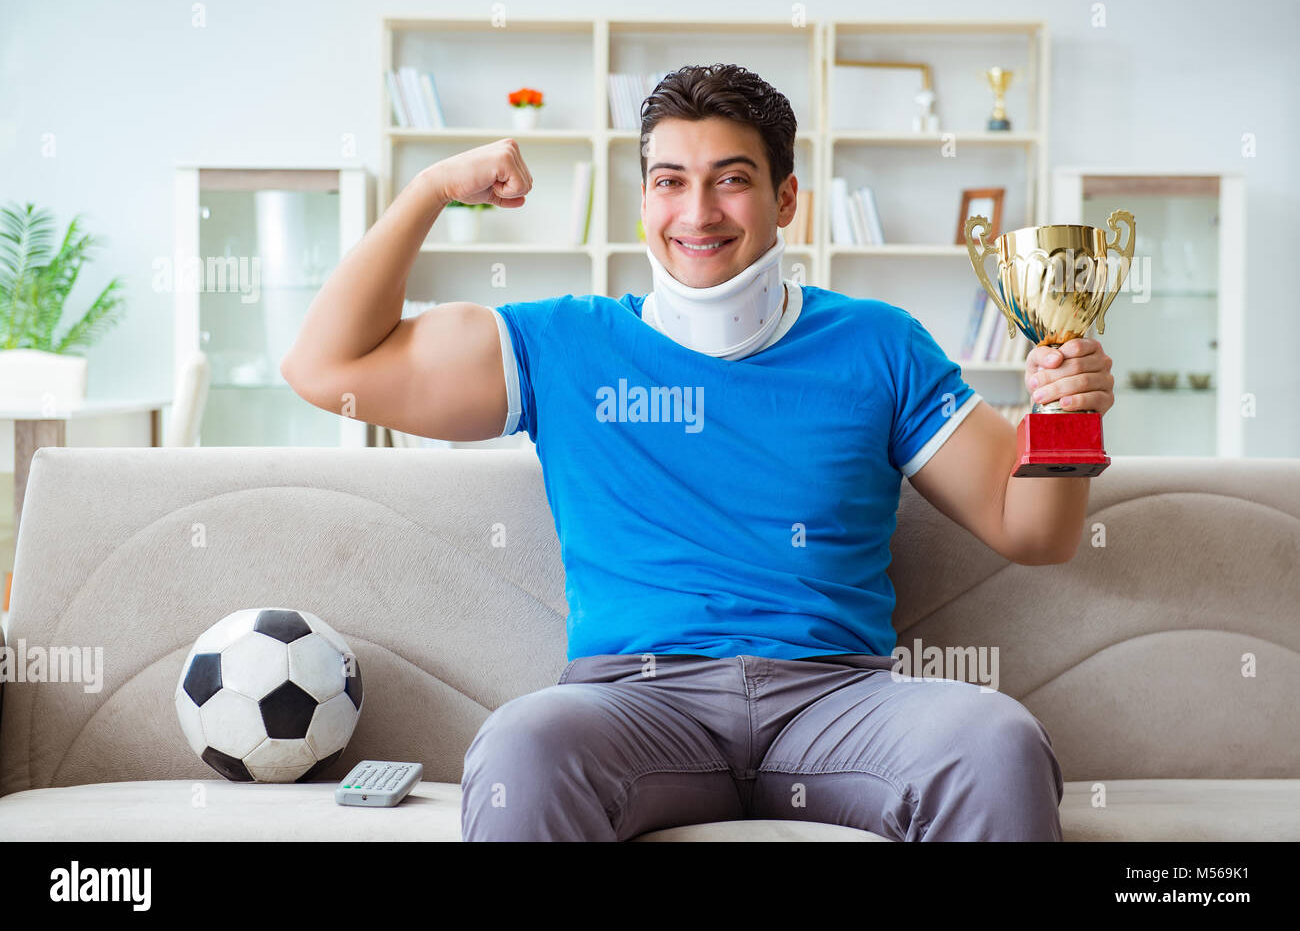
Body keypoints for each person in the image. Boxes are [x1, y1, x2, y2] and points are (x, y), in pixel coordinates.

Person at [282, 63, 1115, 842]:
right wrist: (431, 188)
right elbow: (325, 367)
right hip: (634, 705)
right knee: (521, 747)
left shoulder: (877, 343)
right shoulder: (562, 344)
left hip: (840, 700)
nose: (699, 210)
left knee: (998, 742)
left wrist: (1066, 410)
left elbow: (1032, 529)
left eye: (733, 178)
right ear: (644, 200)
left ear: (787, 199)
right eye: (670, 181)